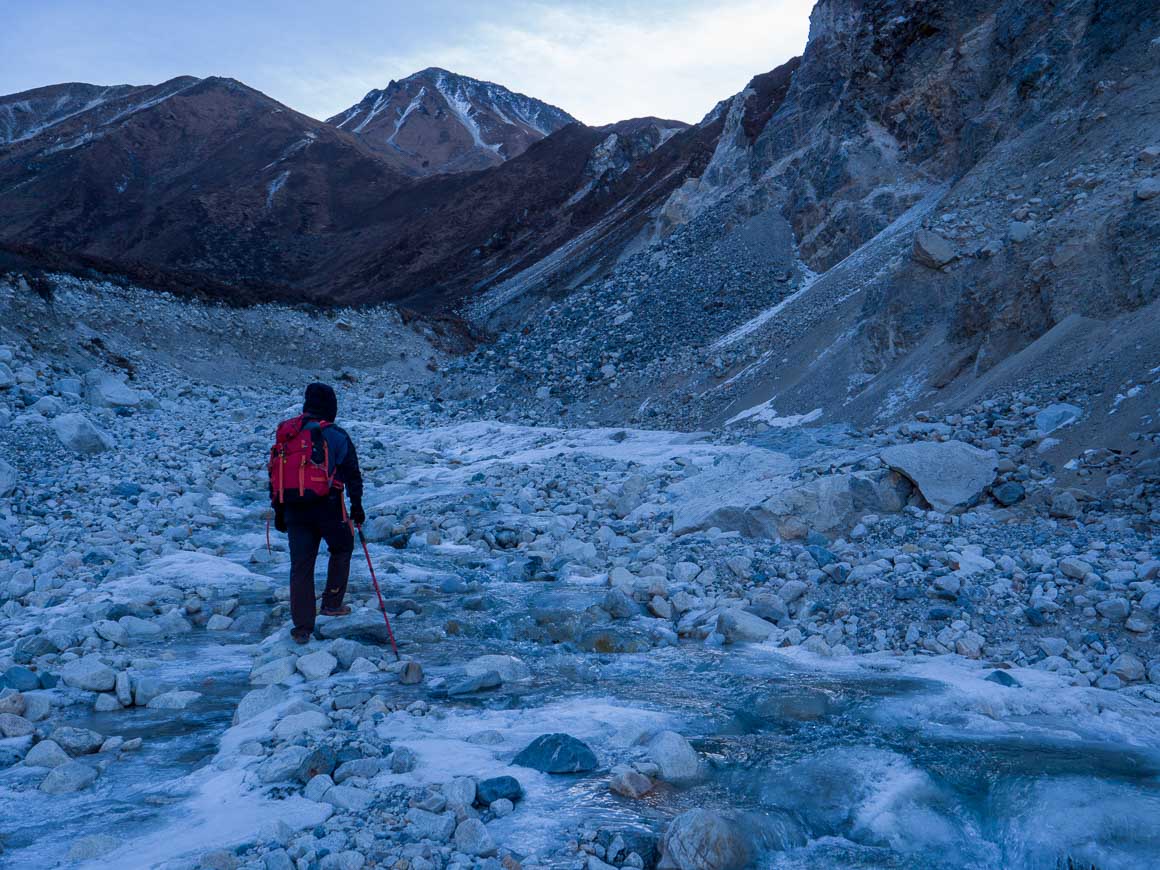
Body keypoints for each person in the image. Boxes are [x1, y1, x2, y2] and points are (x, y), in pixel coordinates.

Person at [270, 383, 365, 644]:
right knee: (342, 547)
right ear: (331, 407)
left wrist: (279, 511)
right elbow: (353, 476)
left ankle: (302, 628)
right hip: (327, 506)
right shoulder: (335, 435)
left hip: (292, 509)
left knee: (301, 566)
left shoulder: (287, 433)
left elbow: (275, 474)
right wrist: (357, 508)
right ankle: (332, 603)